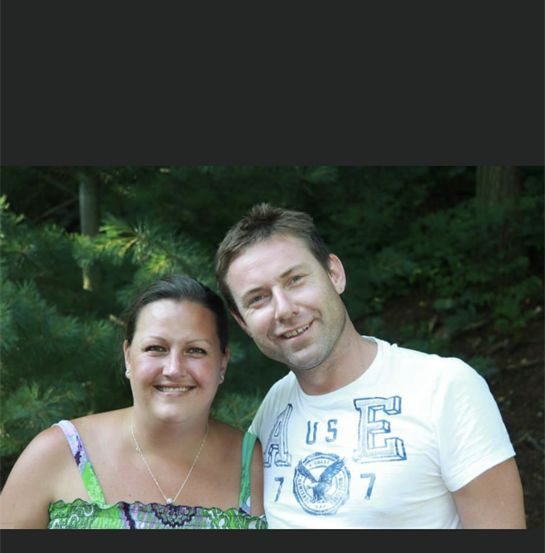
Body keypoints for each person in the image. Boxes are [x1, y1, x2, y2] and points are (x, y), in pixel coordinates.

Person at [215, 203, 526, 530]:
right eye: (258, 299)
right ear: (243, 322)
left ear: (334, 274)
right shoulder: (274, 407)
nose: (284, 309)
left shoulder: (444, 387)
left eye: (295, 279)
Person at [0, 276, 266, 530]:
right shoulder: (58, 452)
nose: (174, 369)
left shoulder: (255, 464)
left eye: (196, 350)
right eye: (155, 348)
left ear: (222, 362)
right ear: (128, 357)